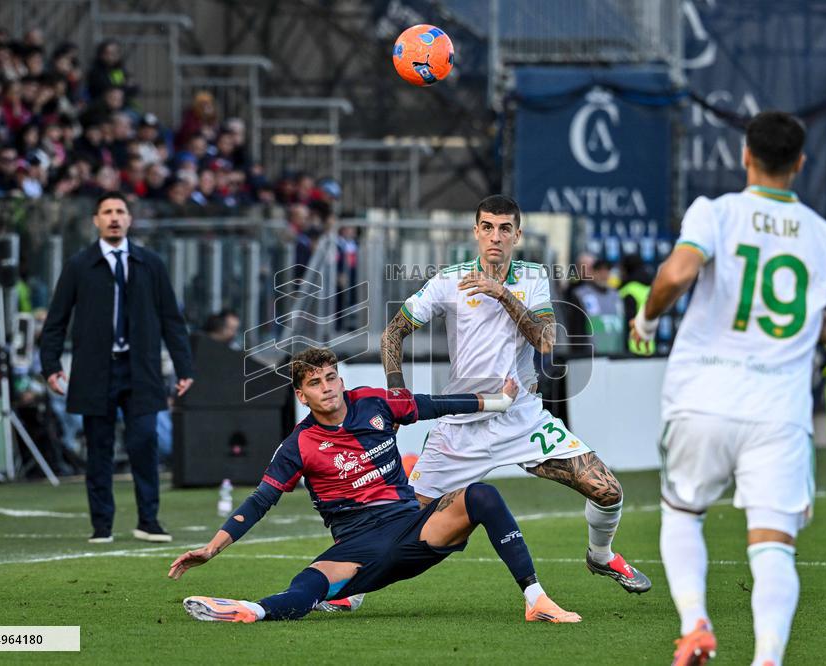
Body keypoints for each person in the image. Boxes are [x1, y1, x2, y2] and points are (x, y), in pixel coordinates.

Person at [629, 111, 826, 666]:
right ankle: (767, 659)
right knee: (773, 548)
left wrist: (646, 320)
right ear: (800, 163)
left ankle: (695, 623)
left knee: (683, 513)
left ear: (746, 156)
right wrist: (809, 326)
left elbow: (676, 275)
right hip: (778, 412)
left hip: (702, 397)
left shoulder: (716, 213)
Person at [168, 347, 580, 625]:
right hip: (358, 545)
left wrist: (499, 402)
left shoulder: (373, 402)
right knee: (306, 588)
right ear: (301, 395)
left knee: (482, 495)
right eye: (315, 383)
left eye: (331, 377)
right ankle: (251, 610)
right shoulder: (298, 445)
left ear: (340, 380)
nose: (327, 387)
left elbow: (434, 404)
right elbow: (261, 501)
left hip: (413, 528)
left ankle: (536, 599)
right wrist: (212, 548)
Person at [381, 194, 651, 598]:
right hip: (462, 425)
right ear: (476, 232)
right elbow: (392, 333)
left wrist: (502, 293)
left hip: (521, 419)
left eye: (504, 228)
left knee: (608, 491)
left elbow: (546, 342)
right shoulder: (449, 281)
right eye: (487, 227)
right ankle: (351, 590)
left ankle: (601, 554)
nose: (496, 236)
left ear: (517, 235)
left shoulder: (533, 277)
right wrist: (396, 389)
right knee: (403, 521)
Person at [40, 191, 194, 544]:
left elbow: (172, 318)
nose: (114, 217)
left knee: (145, 442)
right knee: (98, 449)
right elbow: (56, 321)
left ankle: (149, 521)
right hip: (95, 370)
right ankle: (102, 526)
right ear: (95, 220)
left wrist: (184, 366)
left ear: (129, 219)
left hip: (141, 369)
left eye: (120, 211)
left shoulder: (150, 263)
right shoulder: (80, 265)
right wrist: (51, 365)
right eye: (107, 211)